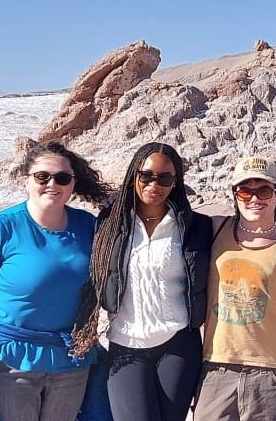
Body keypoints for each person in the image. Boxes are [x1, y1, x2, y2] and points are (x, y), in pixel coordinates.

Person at [68, 142, 213, 421]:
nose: (154, 184)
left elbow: (239, 251)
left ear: (176, 182)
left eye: (165, 178)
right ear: (134, 175)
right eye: (146, 175)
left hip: (179, 346)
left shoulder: (198, 226)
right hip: (125, 347)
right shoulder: (109, 224)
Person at [0, 140, 111, 421]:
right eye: (42, 176)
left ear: (73, 184)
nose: (53, 183)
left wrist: (114, 203)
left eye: (62, 178)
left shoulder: (88, 226)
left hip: (71, 358)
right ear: (27, 180)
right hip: (11, 358)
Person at [193, 156, 276, 421]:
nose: (254, 198)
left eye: (263, 190)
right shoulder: (217, 229)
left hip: (271, 374)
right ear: (235, 195)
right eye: (245, 190)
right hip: (217, 369)